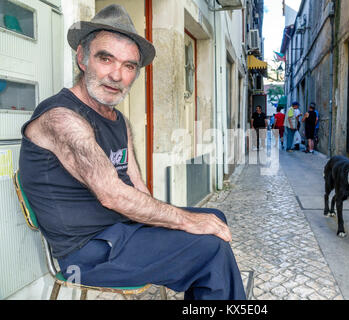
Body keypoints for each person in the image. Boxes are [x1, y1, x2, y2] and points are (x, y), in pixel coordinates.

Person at [18, 4, 245, 300]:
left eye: (129, 66)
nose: (116, 75)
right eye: (105, 58)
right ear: (82, 58)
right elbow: (112, 194)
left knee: (215, 218)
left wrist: (171, 225)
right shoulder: (62, 118)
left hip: (121, 230)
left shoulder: (118, 121)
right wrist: (185, 222)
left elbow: (137, 185)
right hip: (88, 252)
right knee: (211, 248)